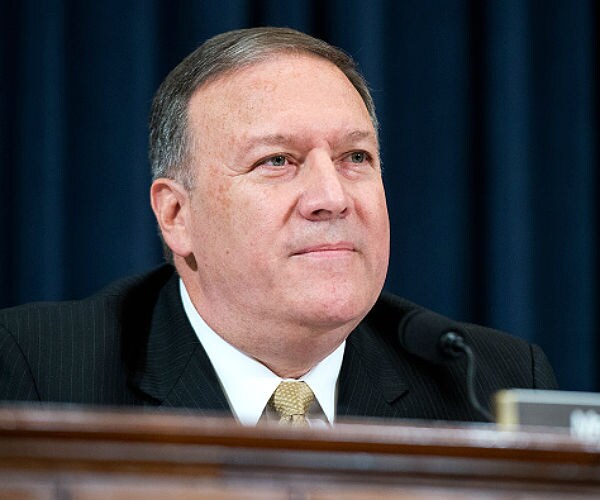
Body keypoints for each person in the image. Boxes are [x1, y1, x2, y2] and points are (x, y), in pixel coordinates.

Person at [0, 27, 557, 425]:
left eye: (355, 157)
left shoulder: (490, 382)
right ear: (176, 215)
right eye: (277, 161)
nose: (332, 198)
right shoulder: (40, 374)